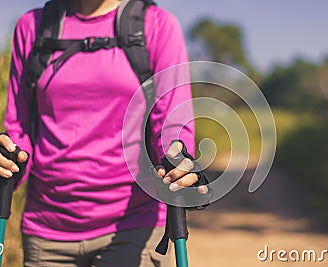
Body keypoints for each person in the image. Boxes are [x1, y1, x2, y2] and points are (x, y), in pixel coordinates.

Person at [0, 0, 207, 266]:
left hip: (133, 228)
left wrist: (177, 160)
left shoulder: (156, 26)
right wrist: (8, 160)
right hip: (46, 231)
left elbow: (170, 122)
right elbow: (19, 126)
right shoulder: (32, 27)